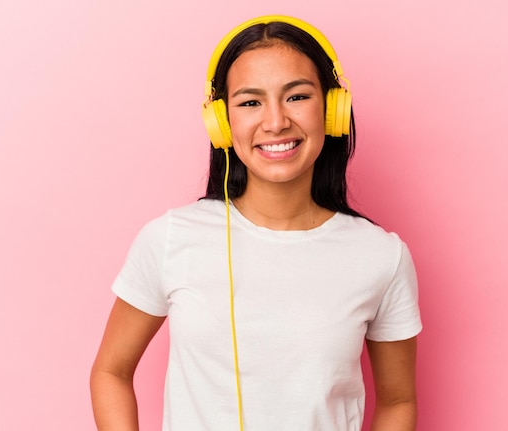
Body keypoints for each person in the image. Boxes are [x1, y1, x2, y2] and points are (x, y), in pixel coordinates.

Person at [90, 15, 422, 431]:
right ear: (222, 123)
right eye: (250, 102)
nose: (276, 122)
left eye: (297, 96)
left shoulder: (381, 256)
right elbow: (111, 372)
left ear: (333, 108)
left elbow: (397, 400)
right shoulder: (170, 239)